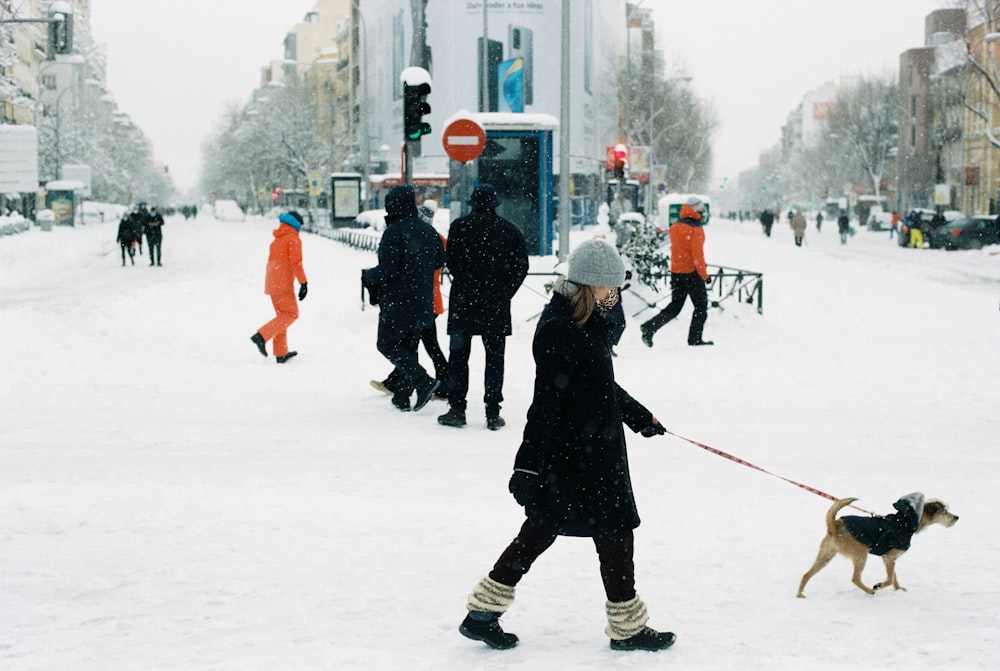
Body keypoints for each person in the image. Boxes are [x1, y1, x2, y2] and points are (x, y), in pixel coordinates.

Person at [458, 239, 675, 653]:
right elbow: (546, 402)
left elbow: (598, 383)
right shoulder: (560, 329)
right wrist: (527, 467)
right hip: (574, 455)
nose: (614, 296)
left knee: (600, 534)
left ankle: (484, 613)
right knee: (557, 531)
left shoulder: (587, 324)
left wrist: (637, 415)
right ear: (590, 286)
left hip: (595, 448)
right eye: (609, 288)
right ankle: (486, 613)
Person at [438, 184, 528, 430]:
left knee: (458, 356)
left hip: (464, 302)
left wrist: (468, 283)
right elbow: (522, 266)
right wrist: (505, 292)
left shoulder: (459, 227)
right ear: (495, 204)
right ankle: (492, 412)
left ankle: (457, 409)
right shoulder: (509, 230)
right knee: (495, 358)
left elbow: (452, 262)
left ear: (473, 203)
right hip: (496, 304)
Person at [362, 185, 445, 412]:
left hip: (398, 300)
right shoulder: (428, 231)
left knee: (386, 344)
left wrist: (368, 276)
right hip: (423, 300)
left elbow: (388, 270)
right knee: (409, 347)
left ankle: (423, 381)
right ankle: (402, 396)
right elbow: (439, 261)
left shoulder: (394, 231)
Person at [639, 196, 713, 347]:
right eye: (700, 210)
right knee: (701, 307)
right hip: (692, 273)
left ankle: (649, 327)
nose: (702, 213)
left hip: (676, 272)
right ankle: (695, 339)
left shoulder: (676, 226)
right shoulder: (696, 229)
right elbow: (697, 255)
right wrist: (704, 275)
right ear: (695, 210)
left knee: (675, 306)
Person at [250, 211, 308, 364]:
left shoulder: (278, 239)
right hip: (283, 284)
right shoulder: (293, 239)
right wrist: (303, 282)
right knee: (291, 314)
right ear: (297, 224)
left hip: (272, 283)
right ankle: (261, 336)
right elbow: (296, 262)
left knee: (282, 317)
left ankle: (281, 353)